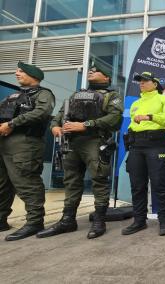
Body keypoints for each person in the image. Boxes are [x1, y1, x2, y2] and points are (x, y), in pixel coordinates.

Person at [36, 59, 123, 239]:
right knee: (71, 181)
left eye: (95, 70)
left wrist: (86, 125)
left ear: (106, 77)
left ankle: (99, 220)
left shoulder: (112, 96)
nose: (90, 72)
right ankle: (68, 220)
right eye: (90, 71)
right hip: (71, 142)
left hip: (94, 140)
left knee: (99, 179)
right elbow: (60, 114)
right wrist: (55, 126)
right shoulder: (76, 94)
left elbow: (115, 119)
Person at [0, 62, 55, 241]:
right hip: (4, 142)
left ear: (34, 76)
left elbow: (42, 113)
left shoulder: (43, 94)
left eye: (21, 71)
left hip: (25, 143)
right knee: (3, 184)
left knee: (26, 182)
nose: (17, 73)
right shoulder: (14, 95)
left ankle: (34, 222)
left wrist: (11, 124)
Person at [121, 71, 165, 236]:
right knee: (137, 186)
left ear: (155, 83)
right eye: (140, 81)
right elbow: (133, 124)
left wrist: (150, 117)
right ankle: (139, 221)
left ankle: (164, 221)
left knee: (159, 184)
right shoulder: (135, 103)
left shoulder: (163, 99)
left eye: (145, 81)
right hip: (136, 146)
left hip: (156, 144)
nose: (142, 83)